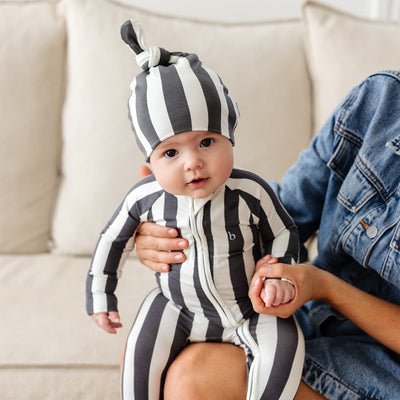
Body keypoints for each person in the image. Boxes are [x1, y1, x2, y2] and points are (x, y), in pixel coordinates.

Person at [134, 69, 400, 400]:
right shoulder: (381, 100)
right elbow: (281, 215)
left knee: (193, 378)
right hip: (314, 320)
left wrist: (324, 286)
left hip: (387, 366)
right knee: (149, 353)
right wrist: (164, 227)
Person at [86, 20, 305, 400]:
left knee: (286, 347)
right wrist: (101, 297)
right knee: (140, 352)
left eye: (207, 142)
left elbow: (286, 232)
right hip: (180, 307)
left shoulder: (251, 191)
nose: (193, 163)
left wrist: (280, 276)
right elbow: (112, 241)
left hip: (251, 308)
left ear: (230, 136)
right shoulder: (144, 197)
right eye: (171, 152)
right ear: (150, 162)